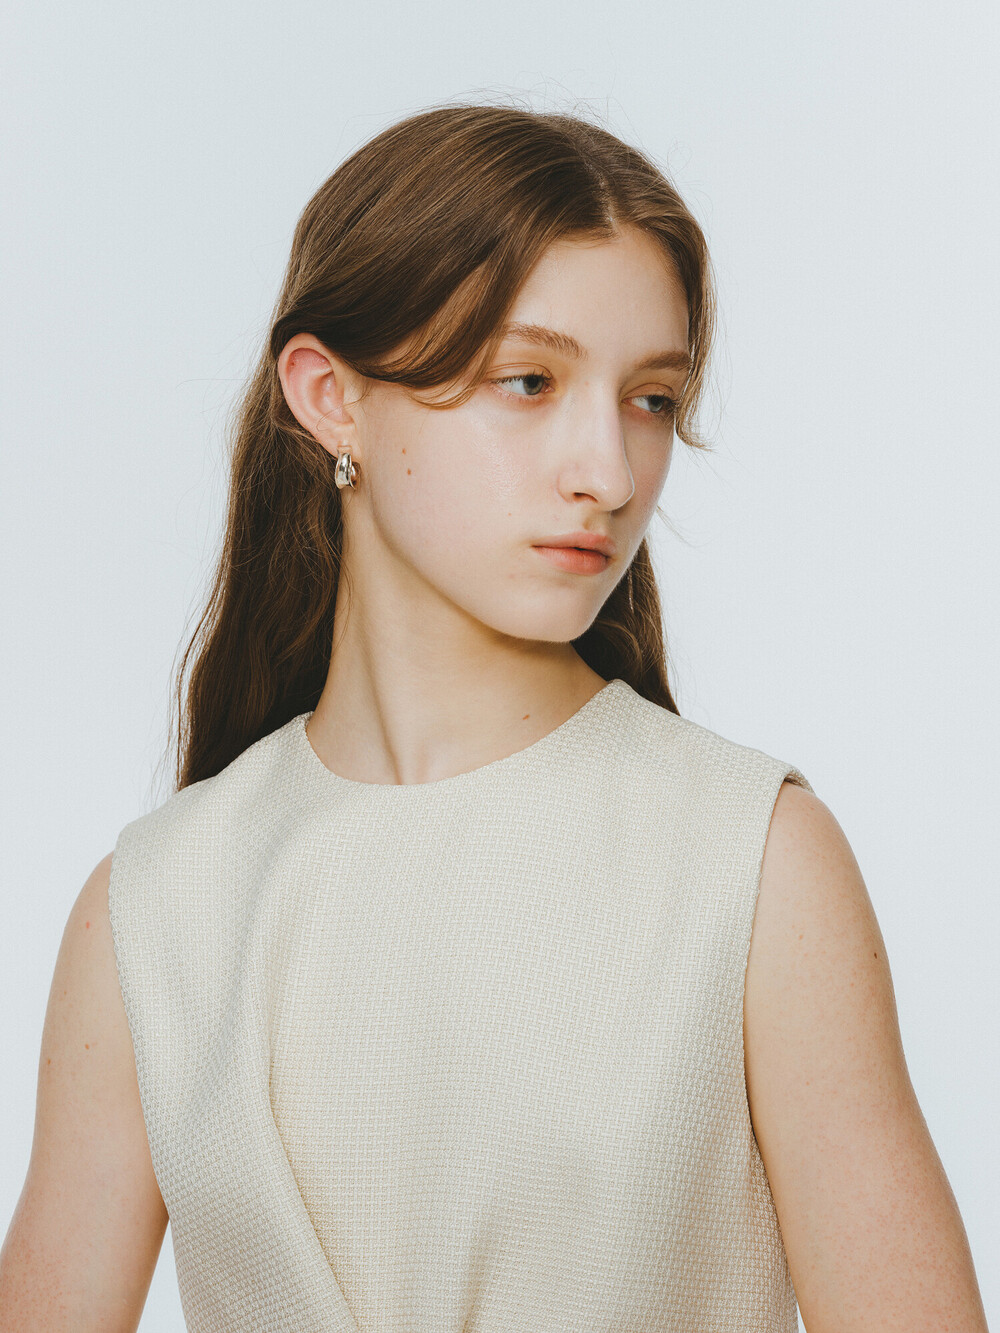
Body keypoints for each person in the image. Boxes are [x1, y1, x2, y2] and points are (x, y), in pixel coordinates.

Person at [0, 100, 989, 1333]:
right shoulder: (153, 910)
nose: (609, 474)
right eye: (529, 381)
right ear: (329, 397)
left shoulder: (752, 864)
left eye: (650, 399)